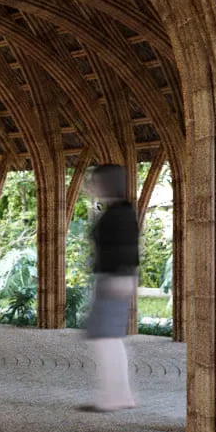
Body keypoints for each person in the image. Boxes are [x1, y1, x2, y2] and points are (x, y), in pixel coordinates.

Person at [80, 163, 139, 411]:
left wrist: (121, 278)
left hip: (114, 279)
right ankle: (122, 395)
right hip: (113, 278)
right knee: (110, 339)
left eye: (96, 181)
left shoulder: (120, 213)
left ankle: (113, 398)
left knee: (106, 339)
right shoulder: (118, 210)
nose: (92, 186)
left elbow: (125, 249)